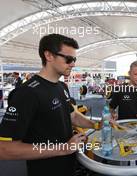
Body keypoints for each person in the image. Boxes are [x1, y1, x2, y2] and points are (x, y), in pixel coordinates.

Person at [0, 34, 98, 176]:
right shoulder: (26, 93)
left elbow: (72, 115)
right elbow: (5, 149)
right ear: (49, 55)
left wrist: (97, 125)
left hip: (68, 165)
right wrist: (63, 148)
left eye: (74, 59)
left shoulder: (62, 86)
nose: (73, 64)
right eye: (68, 59)